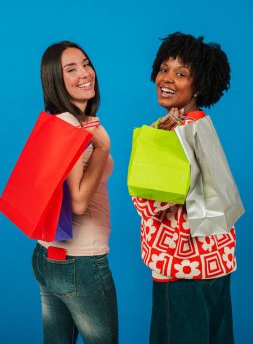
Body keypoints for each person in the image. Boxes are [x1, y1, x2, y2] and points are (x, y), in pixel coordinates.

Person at [132, 32, 236, 344]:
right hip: (216, 268)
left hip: (181, 272)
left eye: (182, 74)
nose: (167, 79)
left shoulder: (171, 133)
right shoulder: (202, 125)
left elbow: (147, 204)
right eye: (164, 69)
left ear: (199, 85)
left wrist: (155, 142)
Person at [32, 41, 118, 344]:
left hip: (51, 256)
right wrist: (103, 147)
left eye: (85, 63)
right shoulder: (67, 125)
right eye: (71, 69)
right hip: (81, 262)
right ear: (56, 80)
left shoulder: (69, 123)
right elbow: (79, 202)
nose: (85, 73)